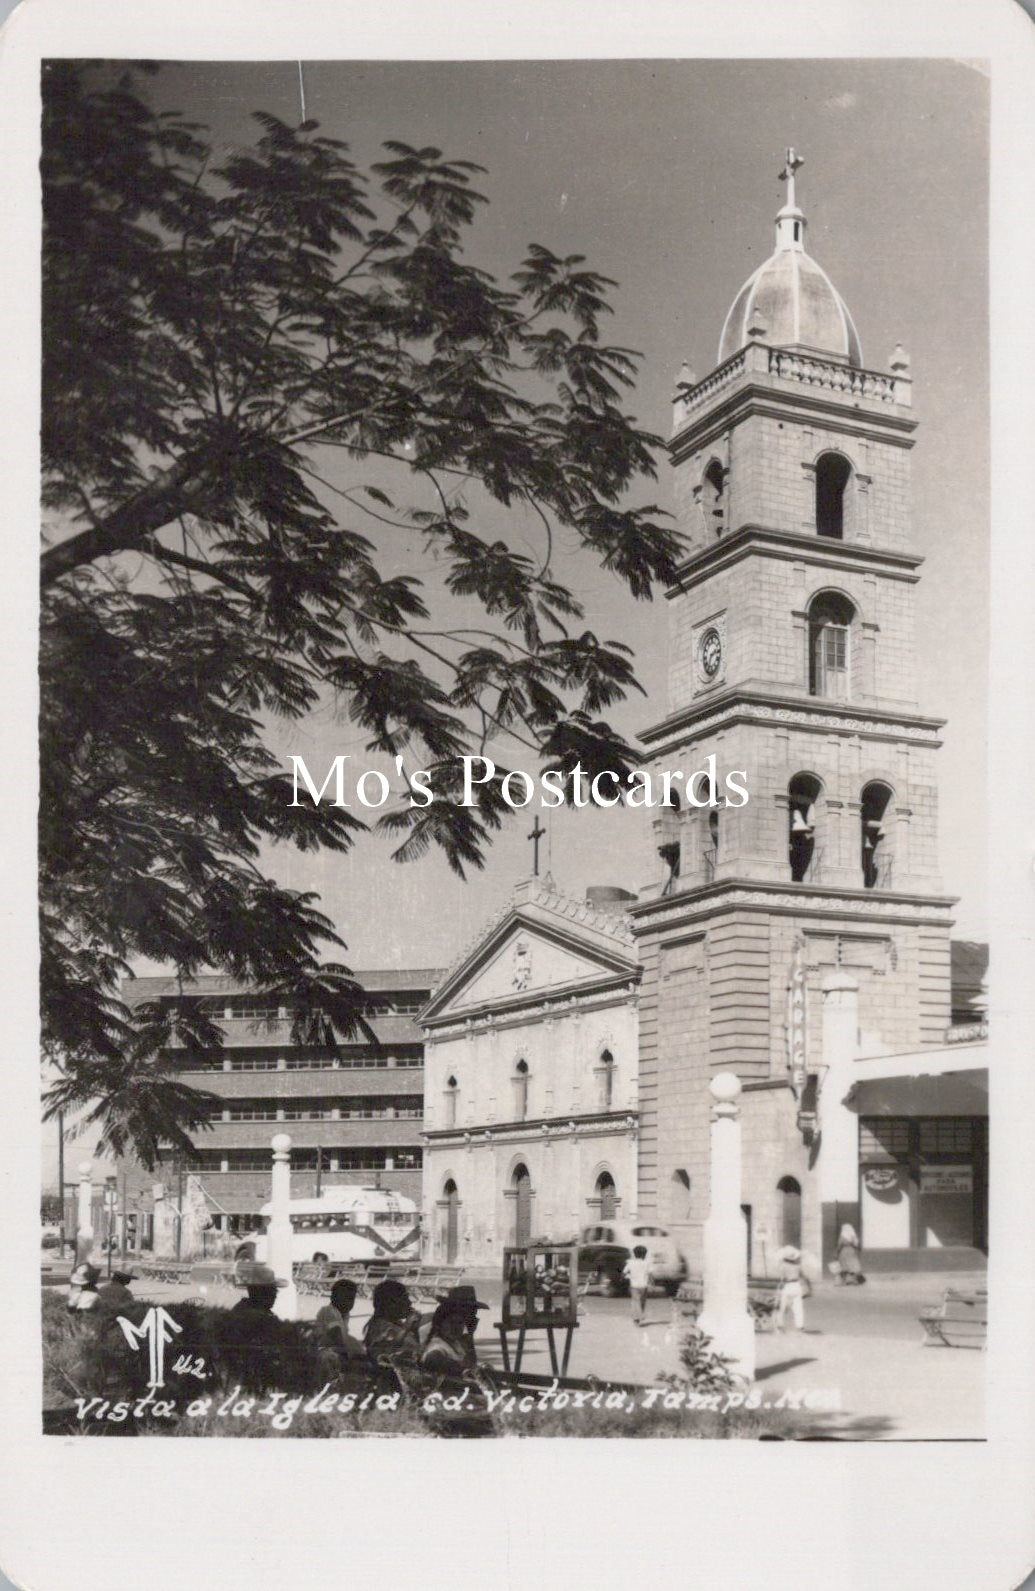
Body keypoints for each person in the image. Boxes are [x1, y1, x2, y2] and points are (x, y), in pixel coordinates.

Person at [420, 1286, 489, 1377]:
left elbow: (471, 1364)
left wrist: (470, 1335)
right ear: (440, 1324)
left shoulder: (456, 1342)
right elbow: (434, 1358)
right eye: (451, 1323)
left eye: (460, 1323)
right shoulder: (438, 1346)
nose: (455, 1328)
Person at [363, 1278, 422, 1368]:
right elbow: (385, 1354)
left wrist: (414, 1330)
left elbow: (415, 1349)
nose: (410, 1303)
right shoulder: (379, 1326)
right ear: (390, 1303)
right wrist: (407, 1327)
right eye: (405, 1298)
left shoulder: (397, 1324)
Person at [314, 1278, 366, 1367]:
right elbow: (336, 1334)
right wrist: (349, 1358)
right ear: (332, 1298)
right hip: (323, 1349)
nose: (348, 1302)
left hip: (336, 1348)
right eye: (344, 1298)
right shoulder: (328, 1311)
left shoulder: (345, 1313)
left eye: (351, 1299)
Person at [775, 1245, 806, 1332]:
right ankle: (800, 1326)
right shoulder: (798, 1266)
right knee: (798, 1307)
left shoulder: (783, 1266)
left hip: (787, 1286)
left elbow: (782, 1277)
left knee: (782, 1307)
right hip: (796, 1285)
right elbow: (802, 1275)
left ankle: (780, 1325)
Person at [623, 1244, 651, 1325]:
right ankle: (639, 1317)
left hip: (634, 1285)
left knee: (635, 1302)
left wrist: (629, 1277)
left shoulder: (630, 1263)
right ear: (644, 1254)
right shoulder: (647, 1263)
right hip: (644, 1285)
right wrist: (652, 1282)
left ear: (634, 1254)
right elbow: (650, 1274)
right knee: (642, 1302)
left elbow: (624, 1273)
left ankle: (637, 1318)